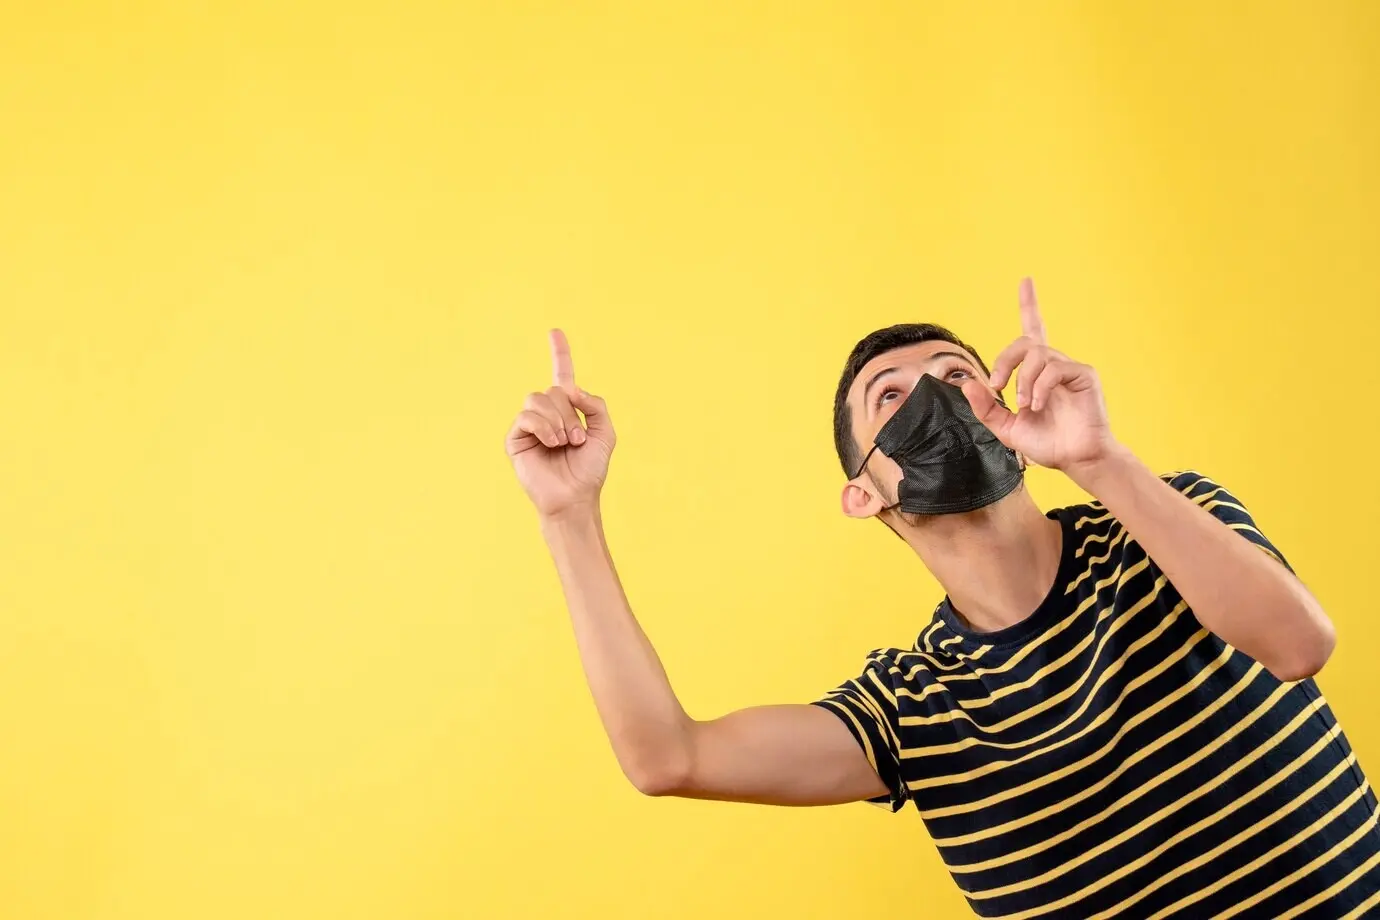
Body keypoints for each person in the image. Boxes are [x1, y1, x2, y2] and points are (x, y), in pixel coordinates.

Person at [504, 279, 1380, 918]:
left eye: (957, 373)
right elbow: (669, 758)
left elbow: (1298, 645)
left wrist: (1098, 460)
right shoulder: (912, 709)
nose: (933, 393)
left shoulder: (1162, 528)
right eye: (891, 396)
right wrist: (568, 515)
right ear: (865, 490)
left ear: (1008, 408)